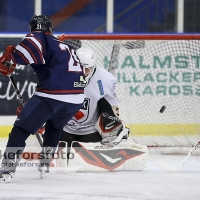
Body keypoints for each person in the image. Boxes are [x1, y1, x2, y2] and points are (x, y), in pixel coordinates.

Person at [0, 15, 86, 182]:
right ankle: (45, 164)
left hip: (52, 95)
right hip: (76, 98)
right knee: (54, 126)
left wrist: (11, 58)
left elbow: (26, 51)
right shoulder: (66, 46)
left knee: (21, 129)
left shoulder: (39, 36)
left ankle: (7, 170)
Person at [57, 47, 129, 160]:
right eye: (80, 68)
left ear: (93, 66)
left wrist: (114, 125)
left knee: (85, 159)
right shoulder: (60, 75)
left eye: (87, 69)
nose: (83, 72)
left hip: (90, 130)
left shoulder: (106, 79)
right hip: (66, 127)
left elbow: (111, 105)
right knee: (61, 157)